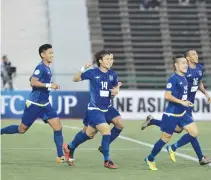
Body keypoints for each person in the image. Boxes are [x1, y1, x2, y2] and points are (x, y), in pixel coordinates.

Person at [142, 50, 211, 165]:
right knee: (186, 132)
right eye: (193, 54)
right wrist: (182, 101)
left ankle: (152, 121)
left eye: (196, 54)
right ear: (187, 58)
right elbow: (168, 94)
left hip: (186, 105)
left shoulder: (199, 69)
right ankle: (199, 157)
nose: (196, 56)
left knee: (180, 130)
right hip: (180, 107)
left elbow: (198, 82)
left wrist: (206, 93)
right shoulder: (181, 74)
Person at [1, 44, 65, 164]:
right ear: (42, 55)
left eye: (52, 53)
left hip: (45, 104)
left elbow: (31, 79)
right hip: (34, 104)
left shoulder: (46, 68)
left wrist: (49, 83)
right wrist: (49, 85)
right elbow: (33, 83)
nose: (52, 55)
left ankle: (60, 156)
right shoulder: (41, 67)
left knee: (58, 127)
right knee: (21, 130)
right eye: (50, 53)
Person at [63, 50, 121, 169]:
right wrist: (83, 67)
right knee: (105, 131)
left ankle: (69, 147)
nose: (110, 61)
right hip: (95, 108)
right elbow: (75, 79)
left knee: (117, 125)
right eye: (108, 59)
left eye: (112, 59)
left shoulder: (113, 74)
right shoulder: (92, 73)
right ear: (100, 61)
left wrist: (116, 90)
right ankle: (107, 160)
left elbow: (114, 89)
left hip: (107, 107)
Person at [145, 55, 194, 170]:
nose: (186, 65)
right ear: (176, 65)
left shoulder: (184, 77)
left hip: (182, 114)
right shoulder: (173, 78)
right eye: (183, 63)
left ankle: (173, 147)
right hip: (171, 114)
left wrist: (186, 101)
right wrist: (181, 102)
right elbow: (167, 95)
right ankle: (150, 158)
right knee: (165, 139)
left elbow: (182, 95)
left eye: (186, 62)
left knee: (194, 132)